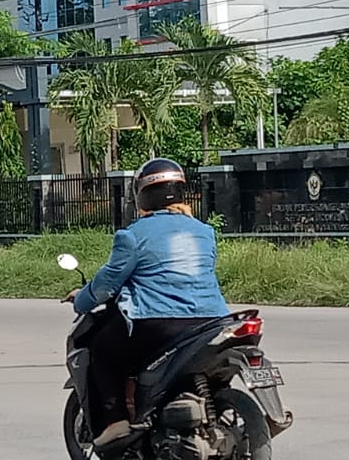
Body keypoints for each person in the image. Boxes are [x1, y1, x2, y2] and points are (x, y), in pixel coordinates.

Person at [64, 158, 230, 449]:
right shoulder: (205, 232)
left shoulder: (132, 235)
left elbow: (107, 283)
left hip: (157, 322)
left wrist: (82, 298)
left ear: (141, 194)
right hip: (211, 320)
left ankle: (116, 421)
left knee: (102, 349)